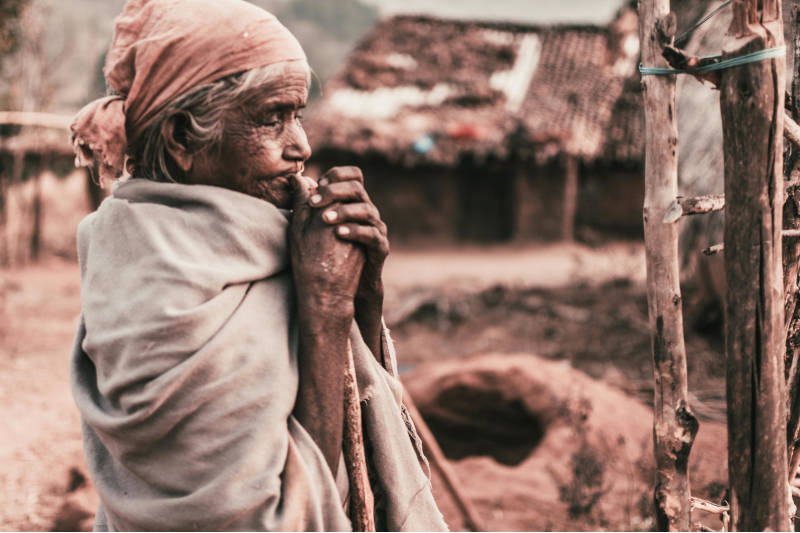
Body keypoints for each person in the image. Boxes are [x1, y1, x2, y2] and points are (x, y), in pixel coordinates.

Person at [68, 0, 447, 530]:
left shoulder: (277, 241)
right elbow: (265, 519)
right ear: (182, 139)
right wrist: (324, 305)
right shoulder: (151, 283)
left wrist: (364, 297)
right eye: (273, 118)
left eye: (298, 116)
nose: (301, 147)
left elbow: (356, 423)